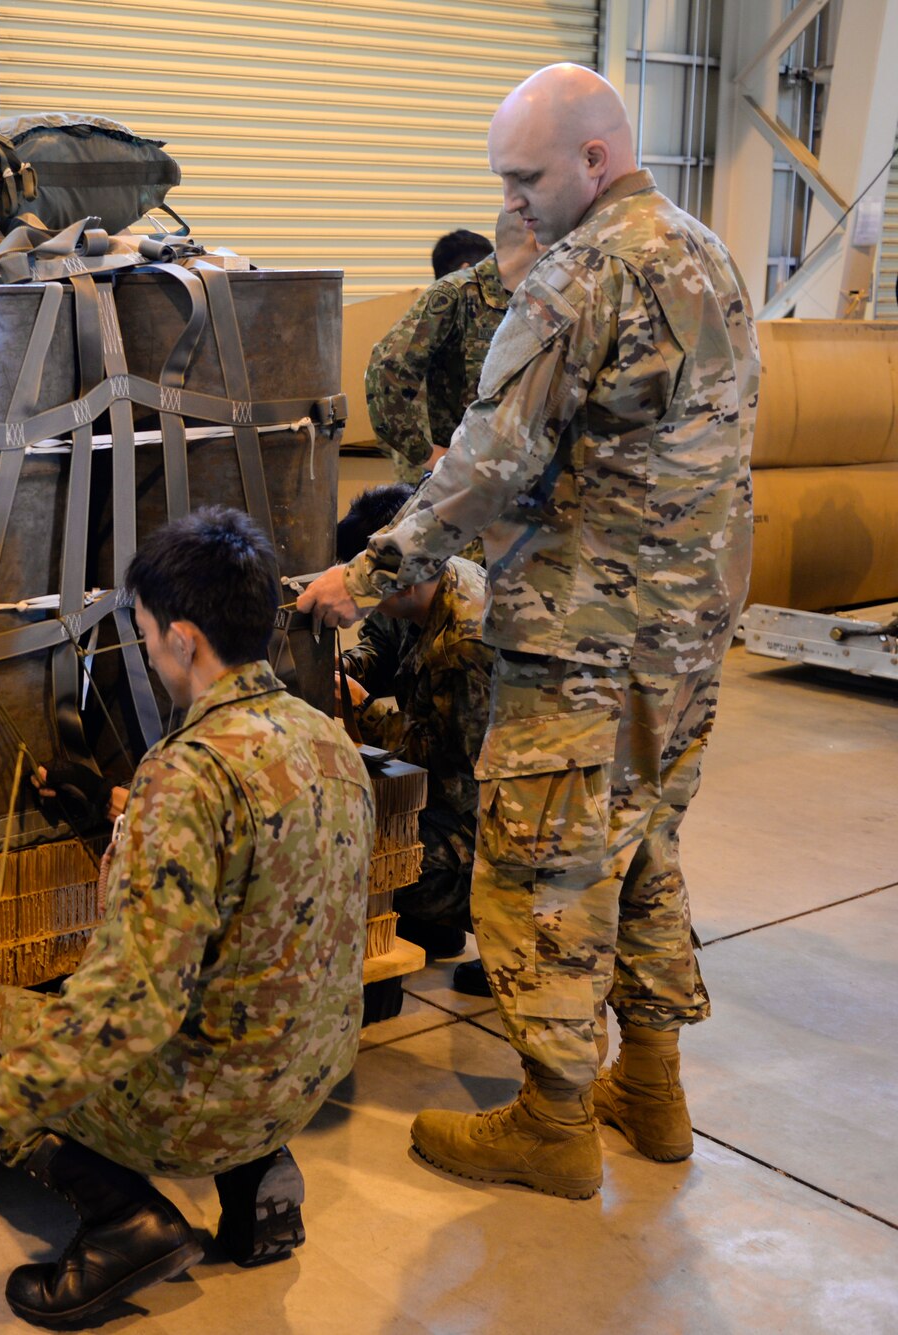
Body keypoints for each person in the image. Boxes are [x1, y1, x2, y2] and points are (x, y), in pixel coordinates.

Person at [298, 64, 759, 1199]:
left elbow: (487, 458)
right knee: (637, 843)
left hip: (583, 629)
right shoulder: (703, 251)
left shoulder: (581, 271)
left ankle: (552, 1123)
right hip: (688, 627)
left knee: (541, 864)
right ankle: (648, 1088)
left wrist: (367, 574)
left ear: (592, 159)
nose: (513, 198)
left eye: (525, 175)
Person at [0, 506, 373, 1330]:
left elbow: (129, 1006)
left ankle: (125, 1220)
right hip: (306, 1080)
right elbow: (260, 894)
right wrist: (114, 817)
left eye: (149, 631)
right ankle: (259, 1184)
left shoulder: (186, 774)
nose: (148, 648)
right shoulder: (325, 736)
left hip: (206, 1103)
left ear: (184, 638)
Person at [336, 484, 493, 993]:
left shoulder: (467, 643)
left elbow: (446, 766)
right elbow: (380, 652)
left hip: (504, 827)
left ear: (396, 581)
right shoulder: (426, 587)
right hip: (469, 802)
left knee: (368, 853)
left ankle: (517, 931)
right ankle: (443, 927)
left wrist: (361, 711)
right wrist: (337, 676)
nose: (362, 605)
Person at [369, 210, 545, 484]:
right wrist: (427, 454)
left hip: (519, 478)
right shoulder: (455, 294)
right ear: (537, 239)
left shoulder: (539, 299)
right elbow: (386, 370)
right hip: (462, 481)